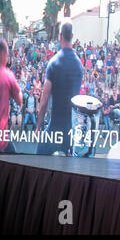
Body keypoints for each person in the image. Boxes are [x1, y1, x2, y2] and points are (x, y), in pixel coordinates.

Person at [36, 18, 84, 155]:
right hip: (70, 130)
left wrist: (38, 127)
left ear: (60, 36)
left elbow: (44, 101)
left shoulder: (53, 63)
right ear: (72, 37)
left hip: (54, 128)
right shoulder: (79, 65)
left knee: (37, 160)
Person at [0, 39, 23, 152]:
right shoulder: (8, 76)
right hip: (0, 140)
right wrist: (18, 92)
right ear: (4, 54)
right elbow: (19, 101)